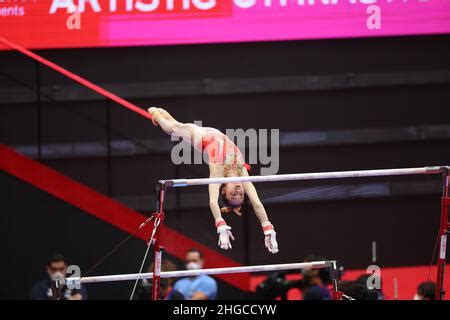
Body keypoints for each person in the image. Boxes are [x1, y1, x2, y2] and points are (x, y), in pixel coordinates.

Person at [148, 107, 278, 254]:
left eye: (233, 195)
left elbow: (212, 201)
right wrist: (268, 228)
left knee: (172, 128)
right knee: (175, 127)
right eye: (240, 195)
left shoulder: (218, 169)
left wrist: (220, 224)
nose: (238, 192)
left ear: (224, 190)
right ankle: (159, 113)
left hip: (199, 137)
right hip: (214, 135)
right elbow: (257, 202)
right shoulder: (242, 172)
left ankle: (155, 113)